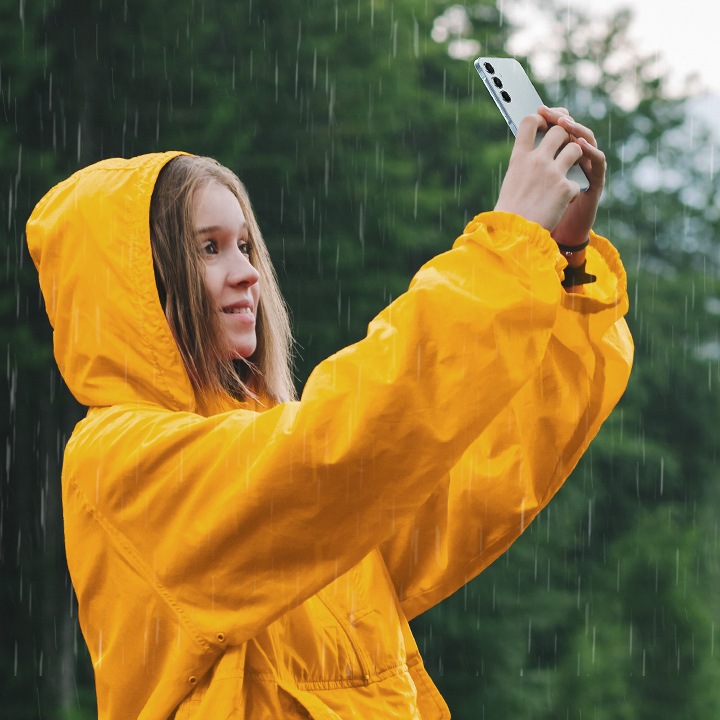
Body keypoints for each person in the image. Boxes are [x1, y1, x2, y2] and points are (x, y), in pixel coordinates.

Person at [26, 106, 633, 719]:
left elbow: (477, 481)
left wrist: (563, 260)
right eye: (208, 249)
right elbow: (337, 445)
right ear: (136, 287)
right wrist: (505, 245)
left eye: (244, 245)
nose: (247, 274)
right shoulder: (118, 462)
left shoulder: (291, 463)